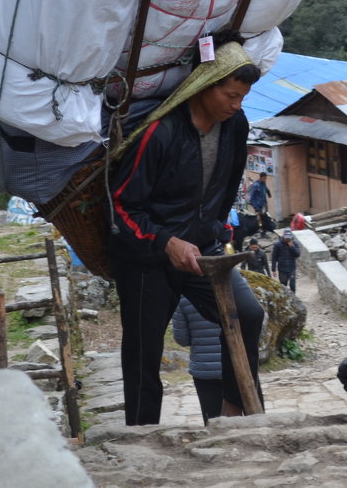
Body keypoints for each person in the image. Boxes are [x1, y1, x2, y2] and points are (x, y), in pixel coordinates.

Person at [106, 37, 266, 425]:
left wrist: (212, 227)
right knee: (144, 351)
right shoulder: (158, 133)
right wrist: (164, 242)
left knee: (248, 314)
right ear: (203, 85)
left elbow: (227, 185)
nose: (236, 105)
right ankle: (143, 435)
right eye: (230, 95)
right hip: (146, 261)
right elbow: (122, 209)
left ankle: (233, 407)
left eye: (242, 97)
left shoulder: (235, 127)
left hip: (204, 251)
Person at [171, 297, 225, 425]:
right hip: (235, 367)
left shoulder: (184, 298)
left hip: (204, 369)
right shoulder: (237, 286)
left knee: (212, 419)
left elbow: (182, 339)